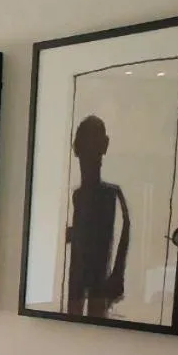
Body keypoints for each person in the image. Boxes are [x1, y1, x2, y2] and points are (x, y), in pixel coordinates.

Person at [65, 115, 130, 318]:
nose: (89, 153)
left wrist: (116, 276)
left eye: (94, 144)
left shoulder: (111, 196)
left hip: (99, 283)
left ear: (104, 146)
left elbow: (120, 241)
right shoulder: (77, 196)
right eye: (85, 144)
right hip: (78, 282)